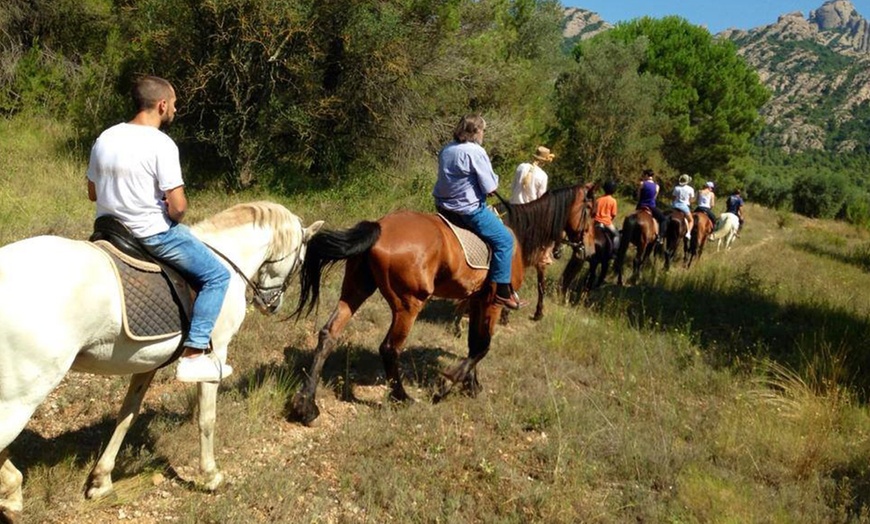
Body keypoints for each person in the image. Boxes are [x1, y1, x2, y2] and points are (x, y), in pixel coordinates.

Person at [87, 75, 232, 383]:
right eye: (175, 104)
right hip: (150, 234)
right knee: (218, 276)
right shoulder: (161, 144)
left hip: (107, 230)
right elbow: (178, 207)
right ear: (162, 105)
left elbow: (92, 193)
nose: (176, 110)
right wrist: (170, 212)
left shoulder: (105, 137)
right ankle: (194, 354)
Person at [433, 114, 521, 310]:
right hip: (468, 211)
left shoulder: (446, 149)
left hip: (443, 207)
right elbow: (490, 186)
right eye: (483, 130)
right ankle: (502, 292)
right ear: (475, 131)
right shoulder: (476, 152)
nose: (483, 134)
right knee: (505, 240)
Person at [510, 145, 557, 263]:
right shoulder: (543, 176)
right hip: (528, 212)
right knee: (552, 231)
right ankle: (544, 255)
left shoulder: (521, 167)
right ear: (545, 162)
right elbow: (540, 200)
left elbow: (514, 185)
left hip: (512, 207)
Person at [636, 168, 666, 243]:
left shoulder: (642, 183)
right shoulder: (657, 186)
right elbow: (654, 198)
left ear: (646, 175)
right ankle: (660, 237)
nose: (643, 177)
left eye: (644, 175)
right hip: (651, 206)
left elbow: (638, 197)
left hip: (641, 205)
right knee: (663, 219)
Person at [594, 179, 620, 252]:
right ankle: (614, 252)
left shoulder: (598, 199)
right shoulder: (613, 201)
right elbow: (613, 214)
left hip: (595, 222)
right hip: (606, 223)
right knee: (616, 235)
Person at [672, 174, 695, 239]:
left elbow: (673, 198)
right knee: (691, 220)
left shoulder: (676, 187)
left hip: (675, 206)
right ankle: (688, 233)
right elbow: (691, 200)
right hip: (684, 207)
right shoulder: (690, 189)